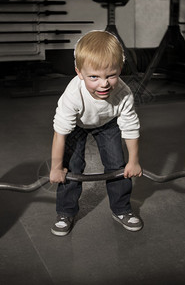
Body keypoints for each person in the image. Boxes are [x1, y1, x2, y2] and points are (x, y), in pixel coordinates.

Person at [49, 30, 143, 236]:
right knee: (71, 167)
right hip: (77, 125)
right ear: (79, 72)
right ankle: (65, 212)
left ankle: (122, 209)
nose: (104, 83)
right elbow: (60, 133)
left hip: (108, 124)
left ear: (120, 69)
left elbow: (130, 127)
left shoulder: (123, 93)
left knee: (118, 166)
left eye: (111, 75)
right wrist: (56, 168)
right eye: (94, 77)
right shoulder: (73, 95)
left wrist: (134, 161)